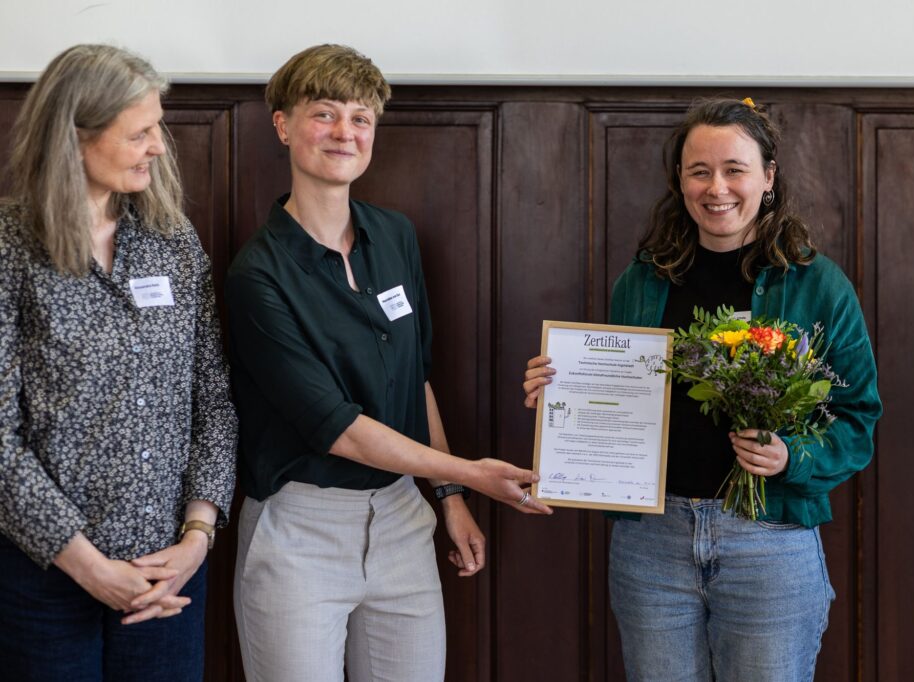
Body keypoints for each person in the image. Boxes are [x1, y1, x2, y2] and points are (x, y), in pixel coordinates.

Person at [523, 98, 882, 681]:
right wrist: (563, 391)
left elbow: (858, 418)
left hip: (770, 541)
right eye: (699, 171)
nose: (717, 188)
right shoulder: (642, 280)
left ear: (768, 177)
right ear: (680, 181)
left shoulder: (819, 286)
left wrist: (791, 456)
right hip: (652, 545)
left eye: (735, 169)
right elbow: (614, 392)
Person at [226, 44, 551, 682]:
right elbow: (340, 428)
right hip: (301, 532)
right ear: (283, 125)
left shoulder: (395, 236)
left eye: (361, 117)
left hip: (403, 519)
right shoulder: (256, 275)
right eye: (324, 114)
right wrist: (471, 473)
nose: (345, 132)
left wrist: (450, 496)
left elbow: (416, 380)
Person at [0, 44, 237, 681]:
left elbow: (212, 400)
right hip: (44, 575)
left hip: (169, 575)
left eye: (156, 126)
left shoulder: (172, 242)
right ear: (74, 136)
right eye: (139, 132)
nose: (158, 145)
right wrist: (86, 565)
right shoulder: (10, 248)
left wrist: (196, 538)